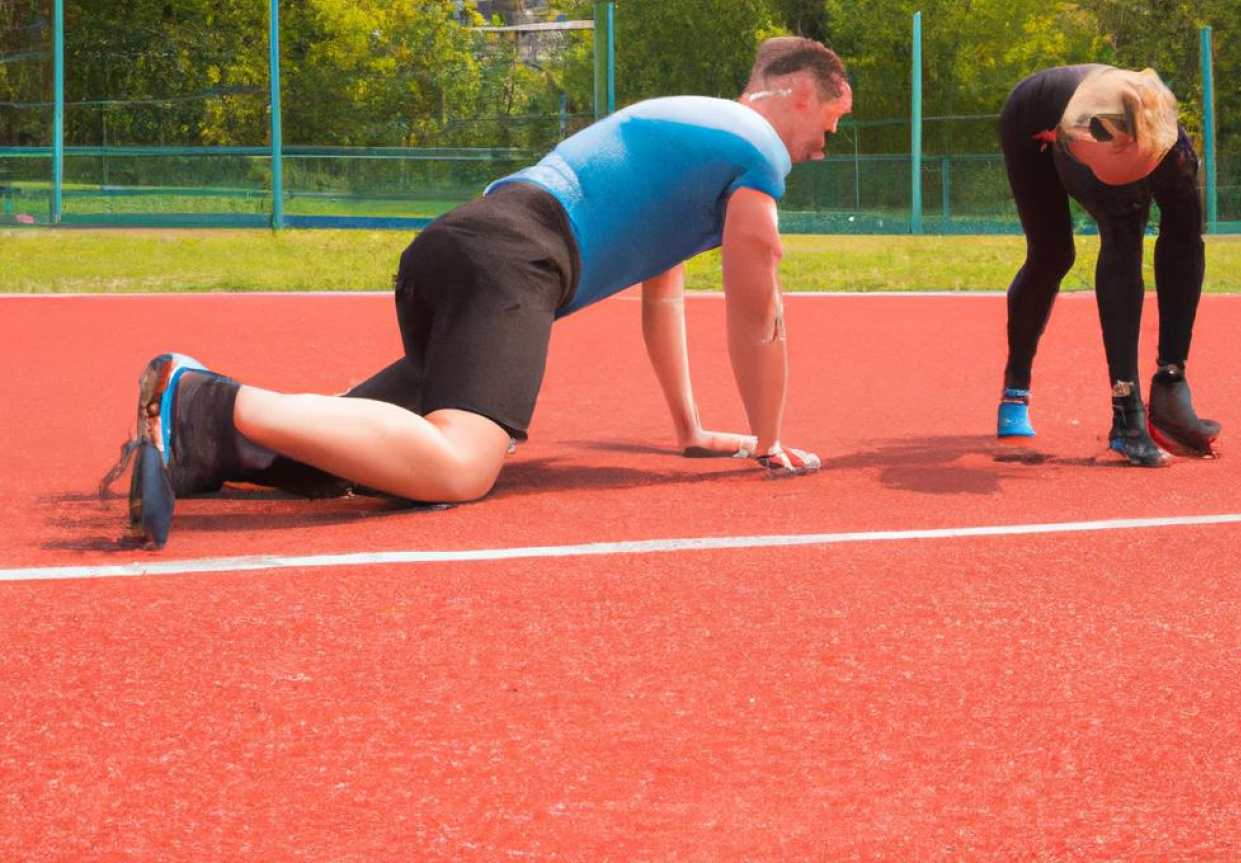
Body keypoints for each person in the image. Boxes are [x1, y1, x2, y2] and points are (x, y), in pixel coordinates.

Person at [102, 36, 854, 547]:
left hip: (465, 243)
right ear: (794, 96)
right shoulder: (757, 150)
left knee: (345, 465)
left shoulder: (695, 132)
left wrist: (690, 429)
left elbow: (665, 300)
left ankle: (208, 443)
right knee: (460, 468)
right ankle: (201, 396)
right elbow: (760, 308)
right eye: (831, 120)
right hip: (516, 257)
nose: (826, 145)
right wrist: (767, 442)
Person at [995, 63, 1221, 466]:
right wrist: (1126, 407)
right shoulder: (1074, 137)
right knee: (1054, 253)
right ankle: (1023, 388)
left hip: (1117, 129)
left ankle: (1170, 384)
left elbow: (1184, 245)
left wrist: (1172, 373)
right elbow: (1121, 251)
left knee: (1187, 226)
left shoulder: (1175, 152)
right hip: (1034, 115)